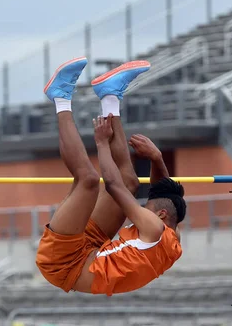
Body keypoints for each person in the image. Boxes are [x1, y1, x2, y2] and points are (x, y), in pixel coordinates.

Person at [36, 57, 186, 297]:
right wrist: (156, 159)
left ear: (160, 215)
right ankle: (110, 97)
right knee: (131, 182)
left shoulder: (156, 226)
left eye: (146, 208)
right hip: (94, 247)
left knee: (89, 180)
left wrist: (102, 143)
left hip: (65, 265)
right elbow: (162, 192)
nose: (140, 209)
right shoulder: (172, 238)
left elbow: (114, 186)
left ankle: (60, 97)